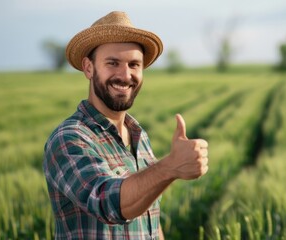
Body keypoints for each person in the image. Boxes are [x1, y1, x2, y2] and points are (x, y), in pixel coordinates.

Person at [43, 11, 209, 239]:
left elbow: (150, 220)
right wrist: (170, 166)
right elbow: (107, 203)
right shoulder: (69, 138)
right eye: (113, 63)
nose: (125, 74)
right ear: (89, 68)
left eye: (134, 64)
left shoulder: (139, 136)